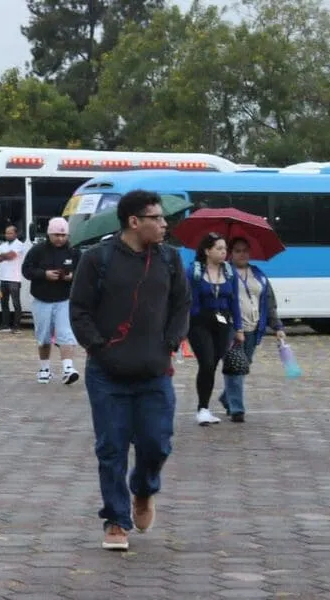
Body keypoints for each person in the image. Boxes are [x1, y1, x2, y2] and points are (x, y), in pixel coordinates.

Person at [69, 189, 191, 551]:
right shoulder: (97, 259)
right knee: (112, 448)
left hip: (154, 373)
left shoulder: (170, 259)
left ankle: (143, 489)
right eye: (158, 218)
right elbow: (79, 310)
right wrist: (99, 348)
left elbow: (182, 303)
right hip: (107, 375)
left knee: (157, 443)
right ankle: (116, 520)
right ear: (134, 222)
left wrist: (171, 341)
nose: (165, 224)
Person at [218, 237, 285, 422]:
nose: (242, 254)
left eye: (245, 250)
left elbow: (269, 302)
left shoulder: (258, 273)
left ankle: (227, 398)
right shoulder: (224, 273)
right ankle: (237, 409)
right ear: (230, 253)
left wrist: (277, 326)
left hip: (254, 328)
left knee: (242, 365)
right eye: (238, 251)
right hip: (231, 329)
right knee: (235, 367)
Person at [187, 232, 243, 426]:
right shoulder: (194, 272)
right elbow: (188, 300)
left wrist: (238, 327)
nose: (223, 252)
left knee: (214, 362)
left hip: (223, 323)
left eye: (225, 249)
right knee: (207, 363)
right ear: (207, 251)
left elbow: (234, 300)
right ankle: (202, 408)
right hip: (200, 322)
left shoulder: (229, 272)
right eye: (219, 248)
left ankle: (206, 408)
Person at [21, 217, 82, 385]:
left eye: (64, 235)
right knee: (44, 337)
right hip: (42, 299)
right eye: (56, 235)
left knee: (66, 334)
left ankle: (68, 368)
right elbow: (26, 270)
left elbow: (83, 272)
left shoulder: (74, 252)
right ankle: (44, 368)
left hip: (64, 299)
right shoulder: (37, 250)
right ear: (49, 234)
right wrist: (44, 274)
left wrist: (71, 276)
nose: (60, 239)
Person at [0, 224, 27, 333]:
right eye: (6, 233)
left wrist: (3, 255)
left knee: (16, 303)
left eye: (10, 233)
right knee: (3, 302)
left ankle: (16, 326)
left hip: (14, 279)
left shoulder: (19, 245)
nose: (7, 235)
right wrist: (5, 255)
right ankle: (5, 325)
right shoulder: (3, 245)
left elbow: (11, 256)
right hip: (3, 278)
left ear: (15, 234)